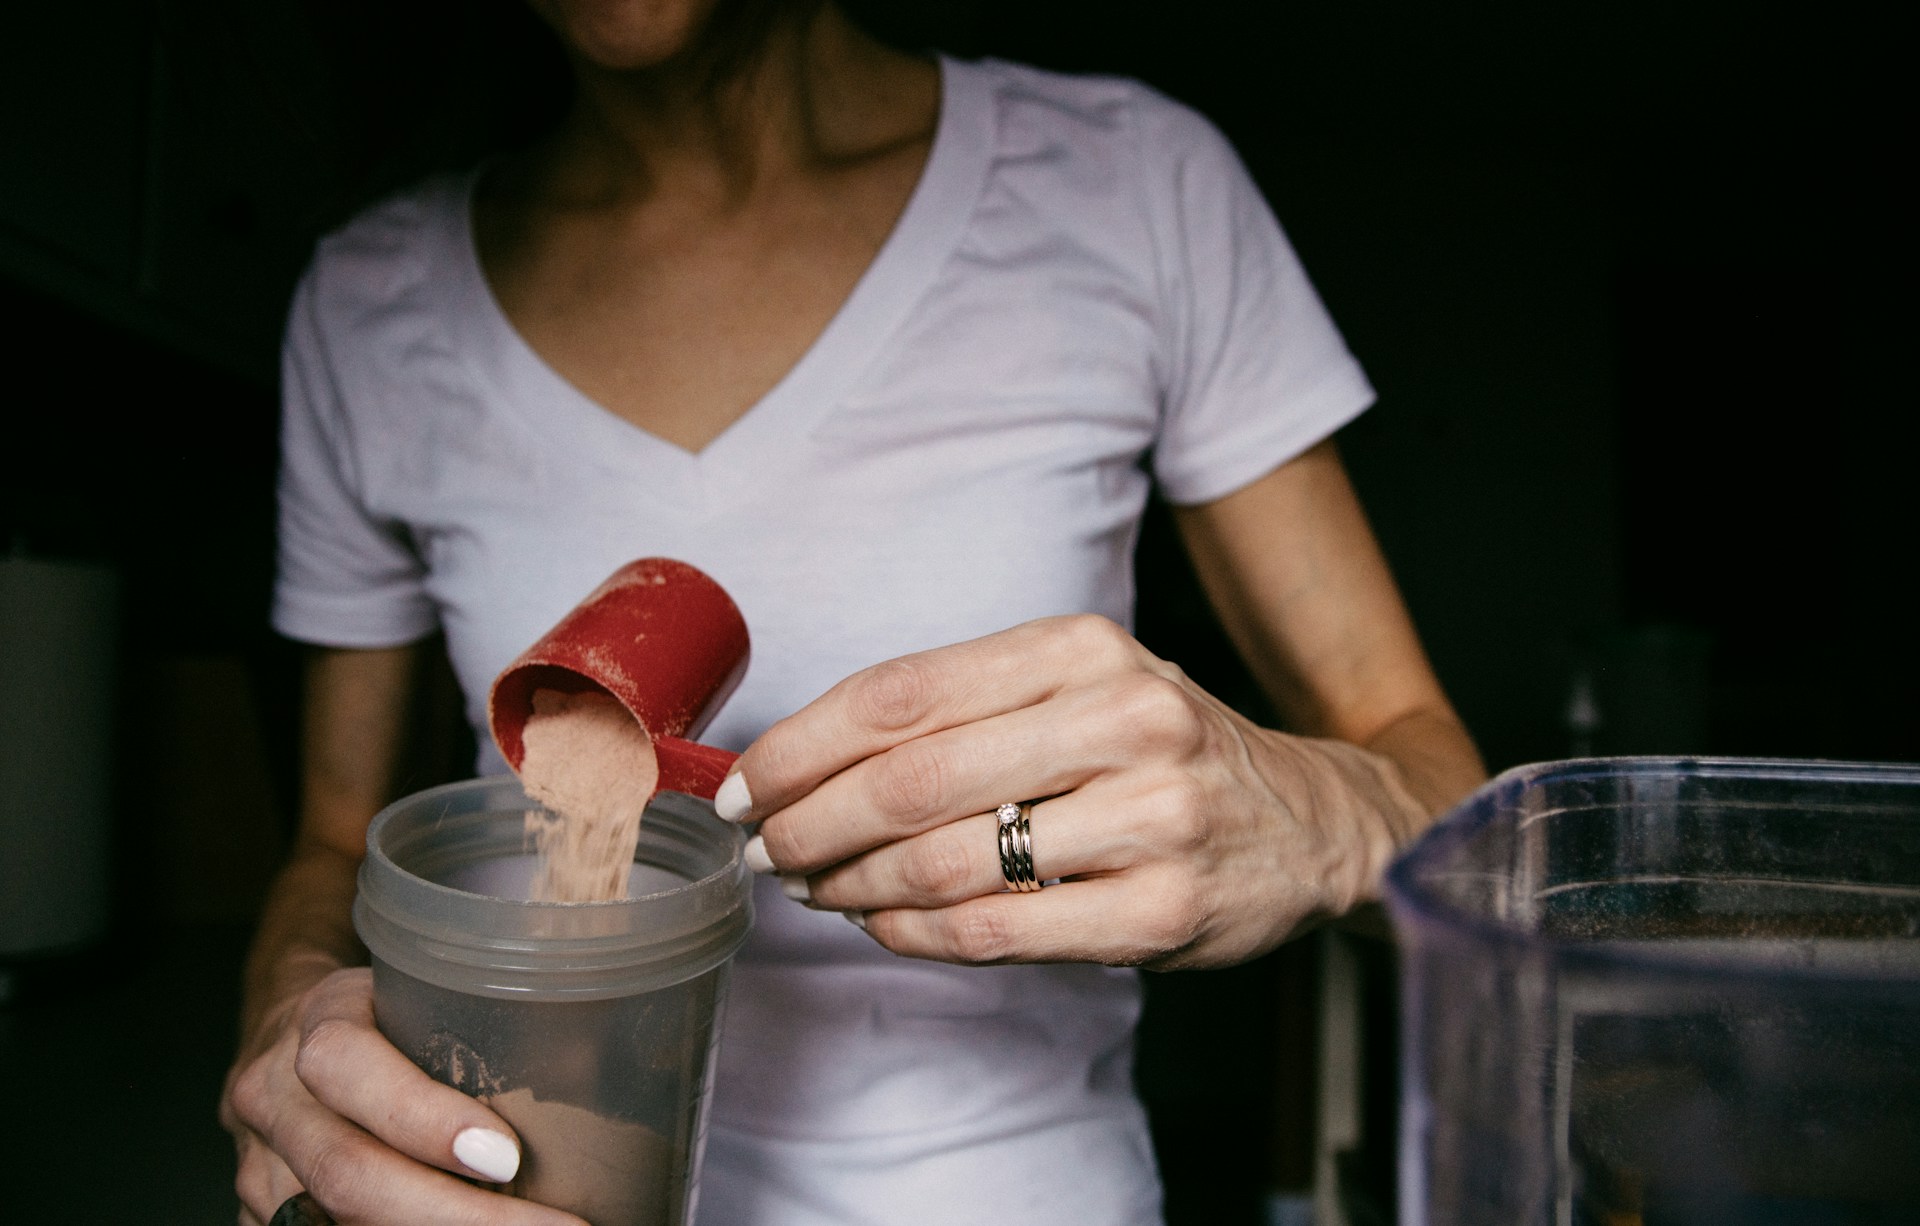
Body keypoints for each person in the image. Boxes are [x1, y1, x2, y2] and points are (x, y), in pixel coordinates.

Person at [221, 1, 1486, 1223]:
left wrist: (1320, 815)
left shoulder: (1135, 186)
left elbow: (1431, 769)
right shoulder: (369, 307)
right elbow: (337, 839)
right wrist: (290, 1018)